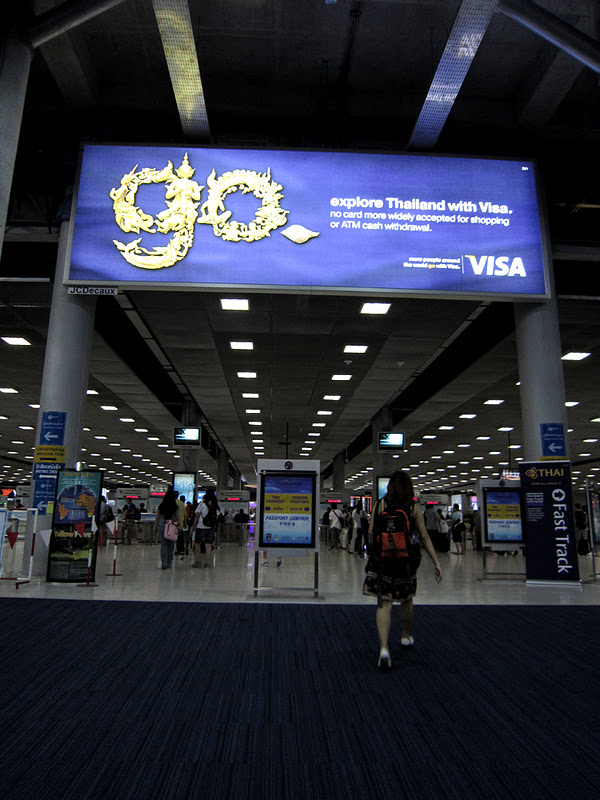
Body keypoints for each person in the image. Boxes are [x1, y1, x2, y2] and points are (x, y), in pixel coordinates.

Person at [363, 471, 442, 669]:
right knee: (407, 599)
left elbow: (371, 532)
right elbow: (424, 536)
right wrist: (436, 562)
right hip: (405, 562)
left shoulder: (379, 505)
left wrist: (376, 549)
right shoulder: (413, 508)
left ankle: (383, 648)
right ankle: (405, 636)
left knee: (384, 603)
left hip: (383, 561)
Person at [192, 489, 220, 568]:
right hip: (211, 528)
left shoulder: (202, 504)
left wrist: (194, 525)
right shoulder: (215, 505)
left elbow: (197, 515)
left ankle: (198, 561)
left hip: (201, 526)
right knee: (208, 544)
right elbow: (217, 516)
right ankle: (207, 563)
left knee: (197, 544)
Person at [154, 489, 181, 570]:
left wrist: (155, 526)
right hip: (172, 527)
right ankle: (169, 562)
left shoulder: (161, 506)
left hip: (162, 526)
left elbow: (157, 517)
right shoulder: (175, 507)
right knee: (171, 544)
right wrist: (178, 527)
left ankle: (164, 563)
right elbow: (178, 518)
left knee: (164, 544)